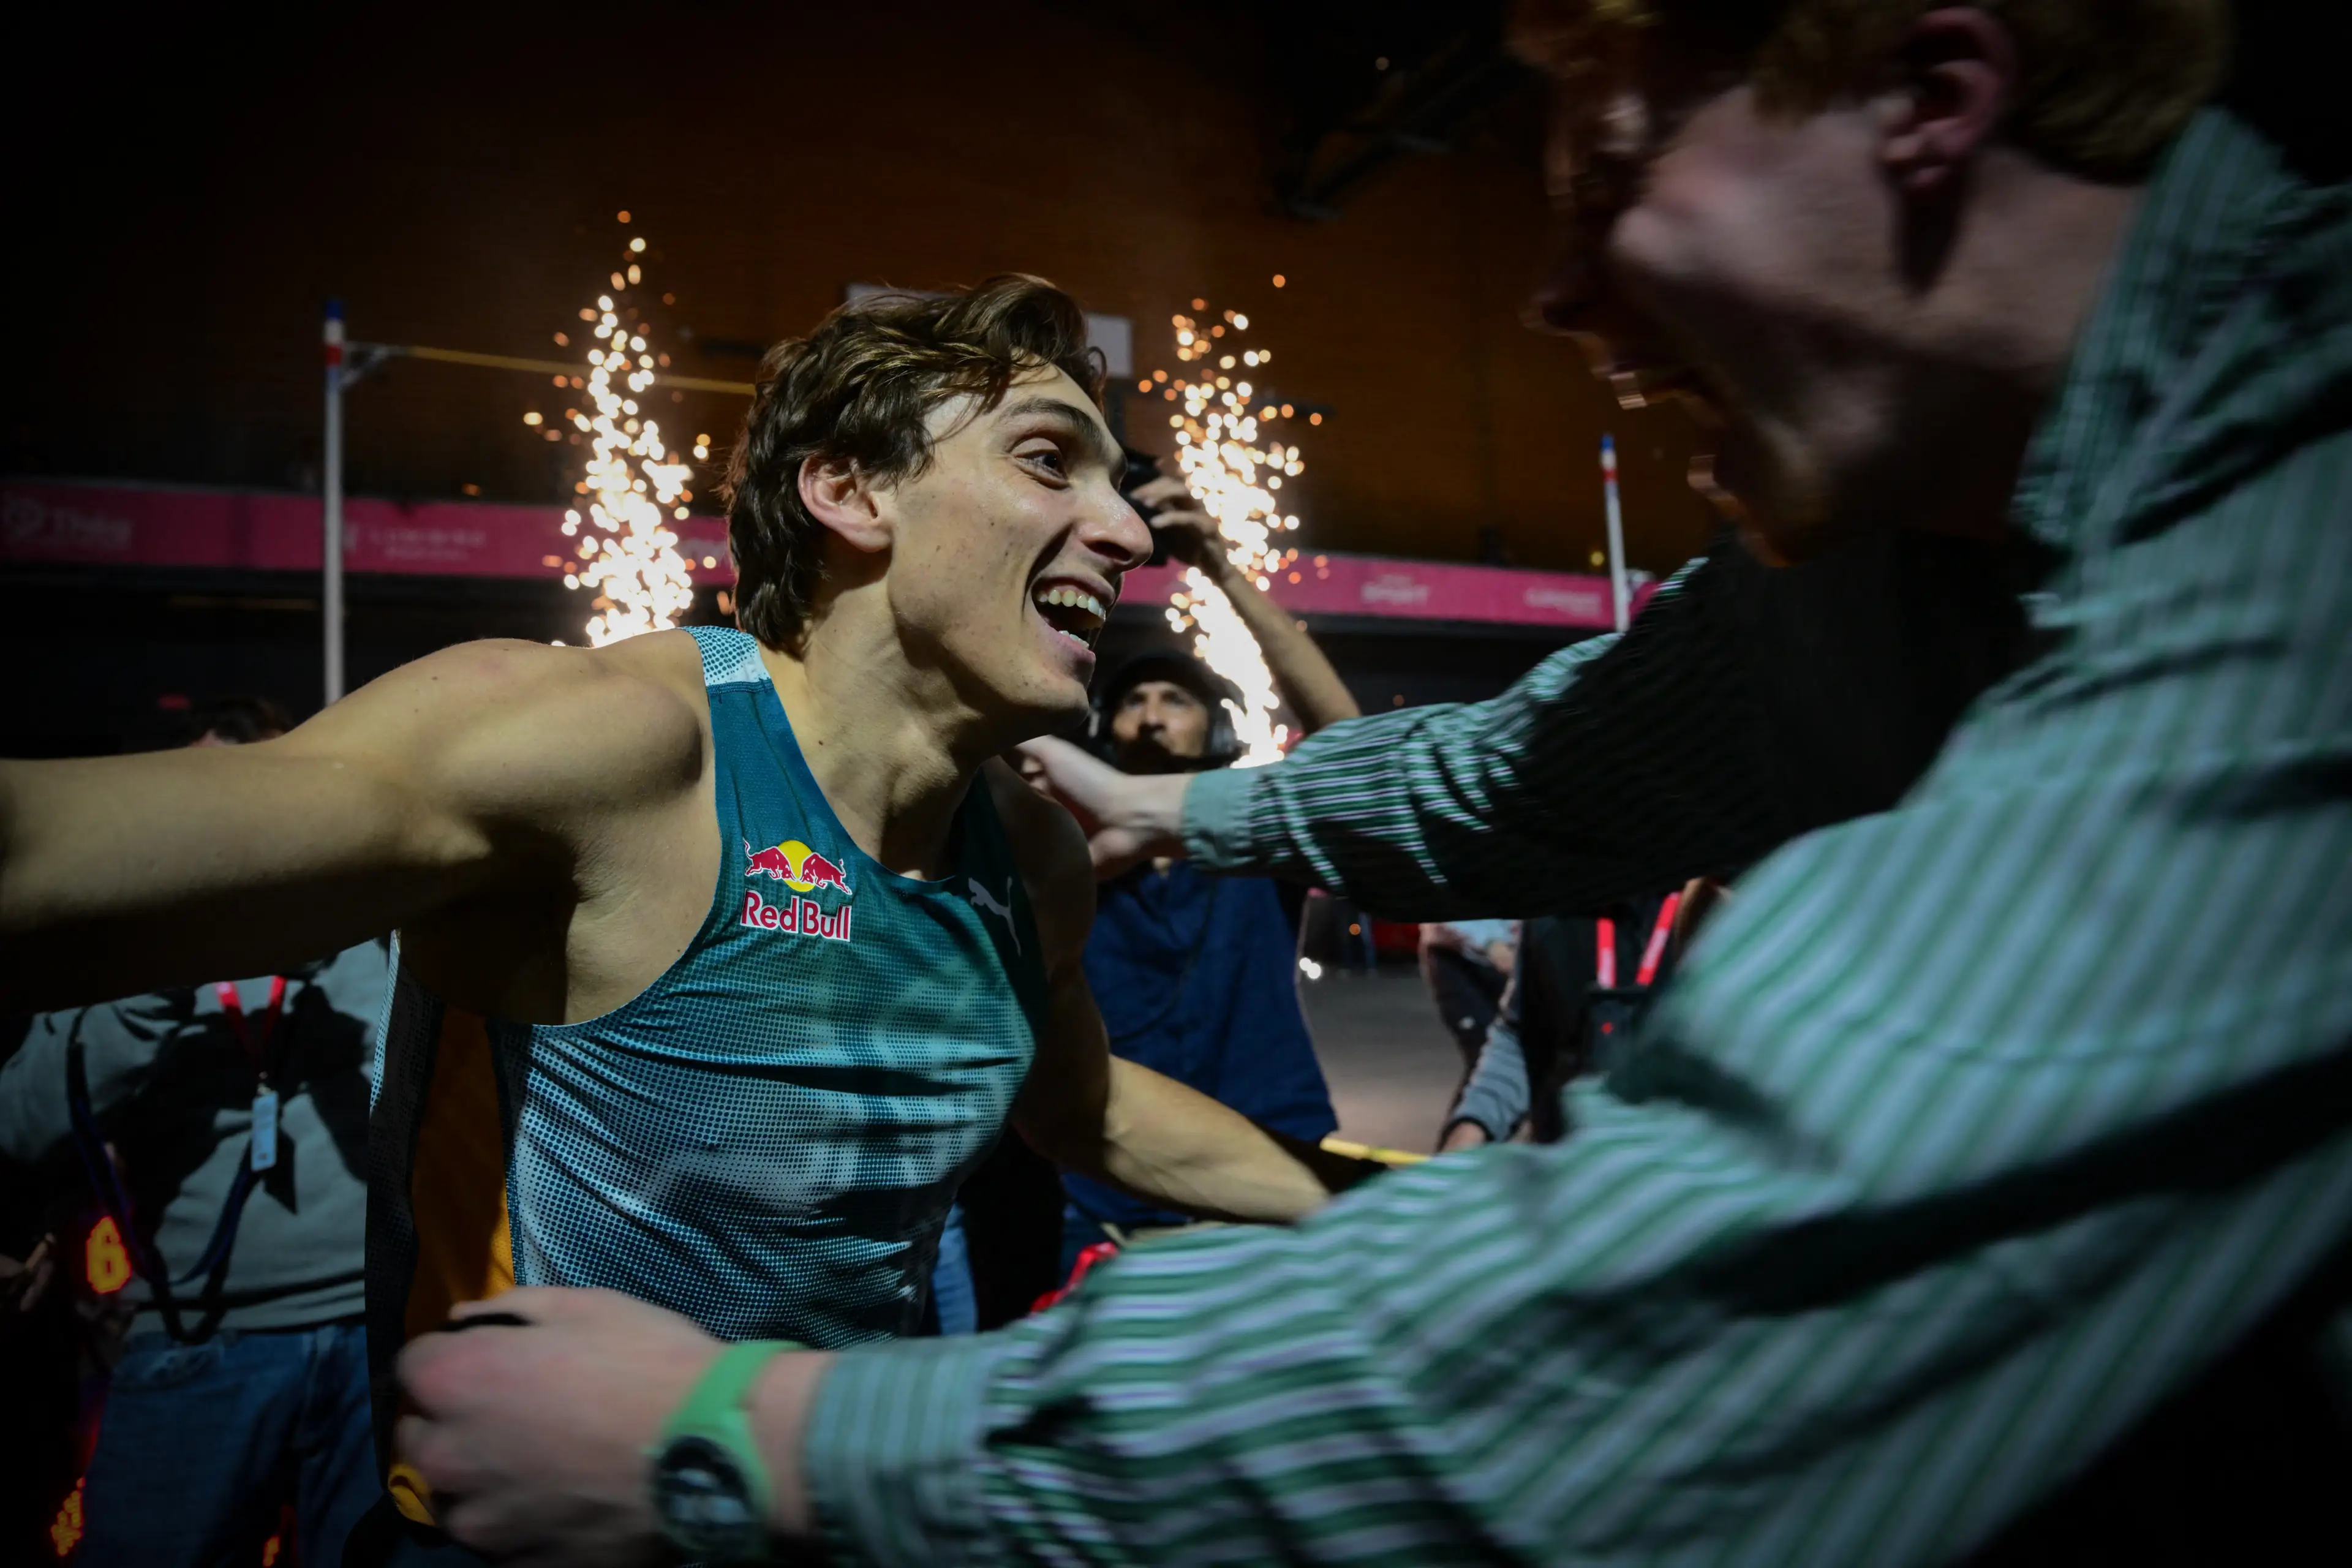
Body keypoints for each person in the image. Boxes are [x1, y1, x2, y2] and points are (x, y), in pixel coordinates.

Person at [350, 1, 2350, 1561]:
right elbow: (1547, 758)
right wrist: (1187, 818)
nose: (1559, 295)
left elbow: (1648, 1336)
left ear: (1933, 98)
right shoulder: (1941, 540)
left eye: (1613, 179)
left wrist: (752, 1443)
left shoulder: (2279, 571)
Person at [0, 277, 1378, 1562]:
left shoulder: (1027, 853)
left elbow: (1088, 1107)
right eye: (1044, 458)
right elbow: (46, 858)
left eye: (1116, 483)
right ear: (847, 490)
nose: (1133, 532)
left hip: (822, 1504)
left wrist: (1417, 1213)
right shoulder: (621, 747)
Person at [0, 697, 386, 1568]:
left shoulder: (382, 929)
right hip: (194, 1345)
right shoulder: (124, 938)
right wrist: (155, 984)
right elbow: (22, 1126)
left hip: (376, 1338)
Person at [1057, 492, 1361, 1268]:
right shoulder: (1052, 840)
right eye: (1133, 700)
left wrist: (1223, 569)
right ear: (1104, 729)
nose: (1152, 714)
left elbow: (1351, 746)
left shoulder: (1257, 830)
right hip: (1102, 1194)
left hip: (1271, 1167)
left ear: (1217, 729)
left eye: (1175, 699)